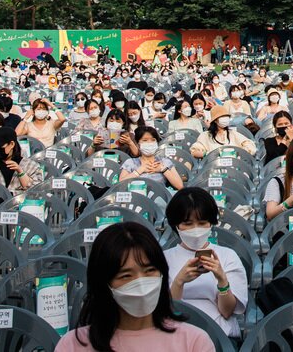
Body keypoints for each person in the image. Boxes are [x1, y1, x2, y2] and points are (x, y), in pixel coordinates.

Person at [57, 221, 215, 352]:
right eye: (126, 276)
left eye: (150, 270)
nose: (141, 283)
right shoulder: (73, 345)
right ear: (104, 283)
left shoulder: (194, 342)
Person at [163, 188, 247, 339]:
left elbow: (227, 312)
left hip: (218, 335)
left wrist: (222, 280)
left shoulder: (228, 256)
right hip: (175, 336)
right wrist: (179, 281)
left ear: (211, 223)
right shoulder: (164, 259)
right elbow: (166, 312)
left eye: (202, 223)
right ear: (176, 225)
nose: (195, 230)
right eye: (187, 223)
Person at [119, 126, 186, 191]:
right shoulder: (130, 162)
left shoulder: (164, 162)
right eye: (145, 140)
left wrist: (163, 169)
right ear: (138, 144)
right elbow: (119, 185)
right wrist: (139, 171)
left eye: (153, 140)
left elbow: (180, 186)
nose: (149, 143)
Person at [190, 105, 256, 159]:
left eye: (226, 116)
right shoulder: (205, 135)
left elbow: (251, 147)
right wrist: (210, 154)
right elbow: (194, 151)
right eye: (222, 117)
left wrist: (237, 153)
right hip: (213, 168)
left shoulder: (232, 133)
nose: (225, 119)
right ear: (215, 120)